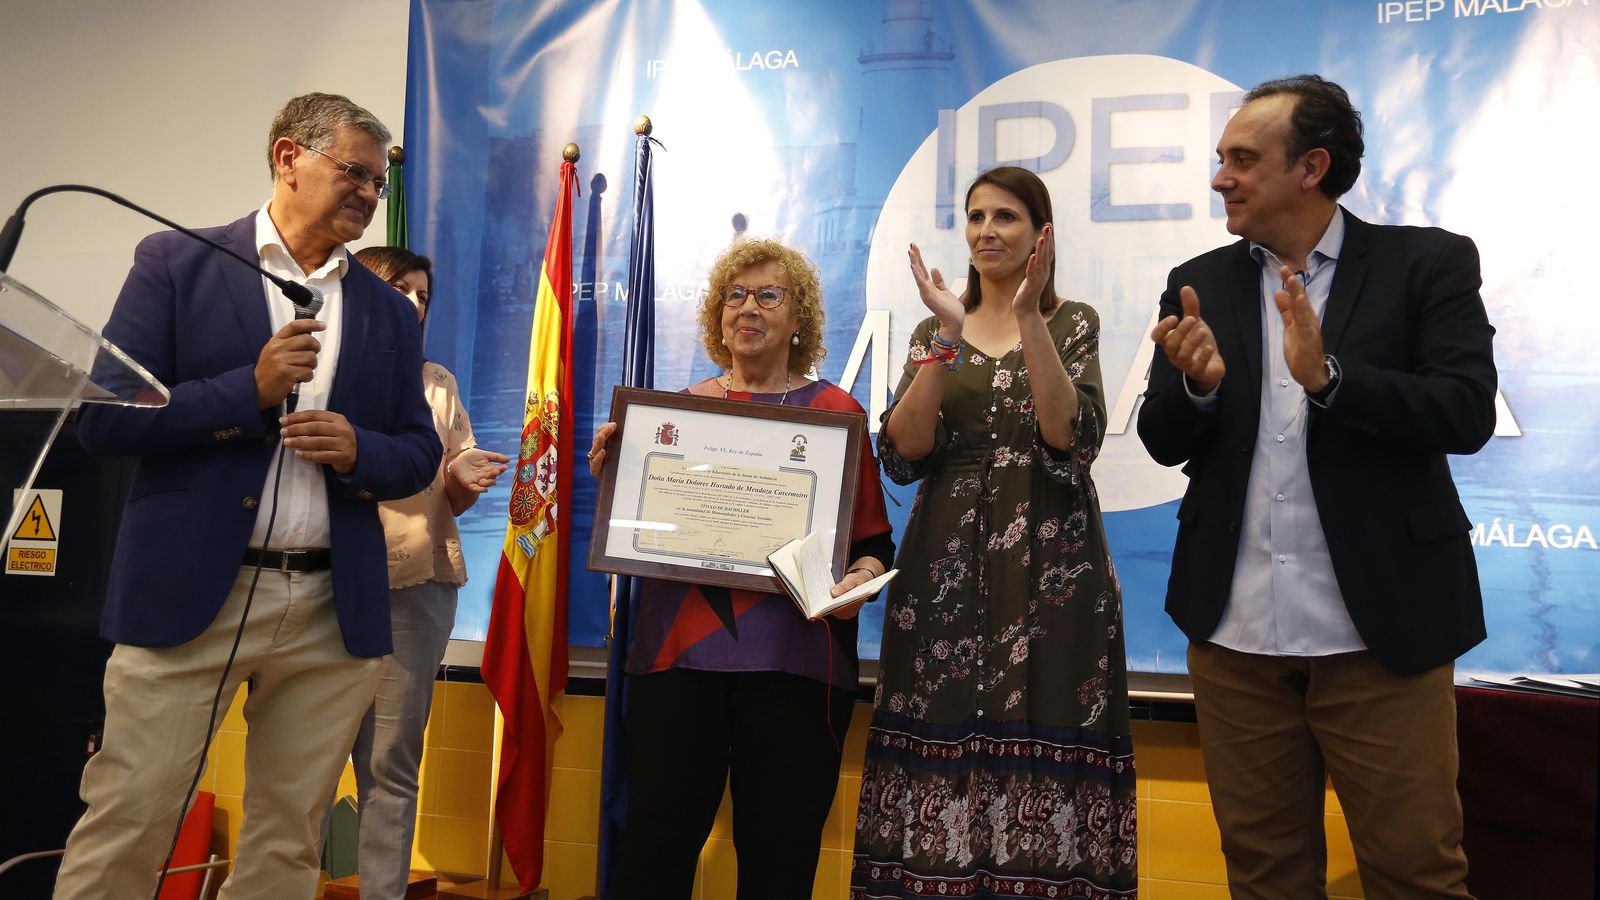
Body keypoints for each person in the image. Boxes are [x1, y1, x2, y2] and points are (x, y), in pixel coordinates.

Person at [55, 93, 441, 900]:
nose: (369, 196)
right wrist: (249, 392)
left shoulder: (387, 315)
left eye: (378, 182)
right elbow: (102, 421)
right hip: (192, 595)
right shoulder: (177, 264)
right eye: (354, 174)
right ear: (286, 157)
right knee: (131, 820)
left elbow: (416, 453)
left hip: (333, 609)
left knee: (288, 845)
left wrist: (359, 449)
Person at [1136, 75, 1496, 899]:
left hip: (1382, 639)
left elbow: (1465, 411)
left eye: (1242, 158)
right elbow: (1163, 439)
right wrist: (1197, 390)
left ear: (1313, 166)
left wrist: (1331, 378)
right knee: (1264, 877)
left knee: (1415, 875)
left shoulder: (1426, 263)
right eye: (1220, 158)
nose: (1220, 177)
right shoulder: (1200, 280)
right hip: (1234, 641)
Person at [852, 166, 1137, 897]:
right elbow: (906, 449)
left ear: (1040, 234)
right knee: (936, 716)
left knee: (1051, 709)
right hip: (944, 558)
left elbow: (1068, 437)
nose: (985, 230)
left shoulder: (1073, 321)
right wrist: (948, 334)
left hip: (1054, 558)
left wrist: (1031, 316)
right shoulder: (931, 329)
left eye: (1005, 216)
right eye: (975, 216)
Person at [587, 237, 895, 899]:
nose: (747, 308)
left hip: (798, 675)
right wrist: (620, 474)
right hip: (678, 670)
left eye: (767, 295)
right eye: (734, 295)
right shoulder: (669, 415)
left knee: (779, 866)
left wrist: (858, 583)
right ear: (716, 313)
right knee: (653, 858)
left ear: (798, 318)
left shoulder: (837, 414)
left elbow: (874, 546)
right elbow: (638, 534)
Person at [345, 246, 509, 898]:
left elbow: (449, 490)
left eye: (423, 296)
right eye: (399, 289)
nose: (413, 304)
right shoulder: (321, 369)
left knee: (390, 763)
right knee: (305, 763)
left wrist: (460, 481)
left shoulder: (435, 381)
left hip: (414, 586)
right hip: (328, 581)